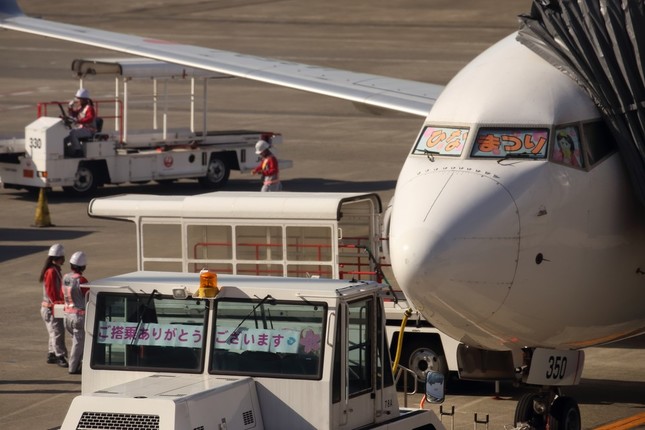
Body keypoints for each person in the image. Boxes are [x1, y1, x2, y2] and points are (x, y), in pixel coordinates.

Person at [39, 243, 68, 367]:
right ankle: (60, 356)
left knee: (53, 332)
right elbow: (52, 293)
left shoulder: (54, 270)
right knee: (57, 332)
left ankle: (51, 354)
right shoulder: (52, 272)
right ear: (60, 258)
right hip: (51, 308)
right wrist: (60, 304)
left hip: (49, 307)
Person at [62, 251, 89, 375]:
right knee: (78, 343)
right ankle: (73, 367)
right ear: (83, 266)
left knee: (76, 341)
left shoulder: (65, 277)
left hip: (67, 315)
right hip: (78, 316)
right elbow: (88, 295)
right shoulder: (81, 280)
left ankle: (78, 364)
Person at [63, 88, 97, 157]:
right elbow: (74, 114)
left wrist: (78, 121)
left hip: (89, 130)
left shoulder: (89, 108)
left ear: (83, 100)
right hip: (82, 128)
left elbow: (89, 119)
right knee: (65, 134)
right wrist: (70, 108)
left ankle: (78, 151)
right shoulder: (81, 107)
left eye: (79, 99)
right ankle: (67, 150)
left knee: (73, 133)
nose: (77, 100)